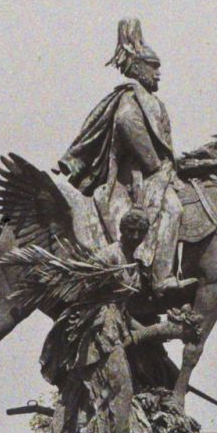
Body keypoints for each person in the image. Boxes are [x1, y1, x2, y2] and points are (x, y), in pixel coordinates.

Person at [57, 18, 185, 281]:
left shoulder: (150, 100)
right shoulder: (131, 97)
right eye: (153, 66)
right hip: (135, 179)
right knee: (173, 209)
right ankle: (161, 277)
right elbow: (129, 125)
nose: (158, 73)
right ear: (137, 68)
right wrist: (155, 165)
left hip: (155, 174)